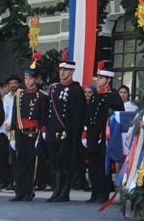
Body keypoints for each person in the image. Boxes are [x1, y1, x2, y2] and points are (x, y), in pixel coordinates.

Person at [44, 52, 85, 202]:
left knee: (65, 162)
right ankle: (56, 190)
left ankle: (64, 191)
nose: (62, 72)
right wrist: (46, 128)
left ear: (72, 72)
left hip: (67, 132)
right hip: (53, 130)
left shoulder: (76, 90)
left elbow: (79, 114)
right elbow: (48, 110)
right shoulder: (54, 88)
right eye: (61, 70)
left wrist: (74, 132)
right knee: (54, 162)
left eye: (65, 70)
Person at [9, 56, 48, 202]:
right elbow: (14, 117)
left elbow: (43, 118)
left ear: (37, 79)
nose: (27, 80)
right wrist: (13, 136)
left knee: (32, 165)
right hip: (20, 132)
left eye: (30, 78)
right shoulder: (19, 95)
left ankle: (29, 191)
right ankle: (19, 191)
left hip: (34, 133)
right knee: (20, 163)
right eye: (26, 78)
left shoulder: (42, 96)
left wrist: (41, 135)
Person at [84, 62, 124, 203]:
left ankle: (103, 193)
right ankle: (95, 192)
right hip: (93, 134)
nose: (98, 80)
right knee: (93, 164)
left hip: (105, 135)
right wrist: (85, 132)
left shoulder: (113, 96)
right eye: (97, 77)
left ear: (108, 79)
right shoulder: (95, 96)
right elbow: (89, 116)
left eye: (101, 78)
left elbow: (119, 116)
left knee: (103, 165)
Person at [0, 75, 20, 191]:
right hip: (6, 131)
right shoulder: (5, 98)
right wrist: (7, 124)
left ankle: (18, 181)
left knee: (18, 157)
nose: (13, 85)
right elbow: (4, 113)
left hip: (19, 130)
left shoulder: (22, 96)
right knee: (7, 158)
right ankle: (9, 181)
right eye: (11, 83)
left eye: (15, 83)